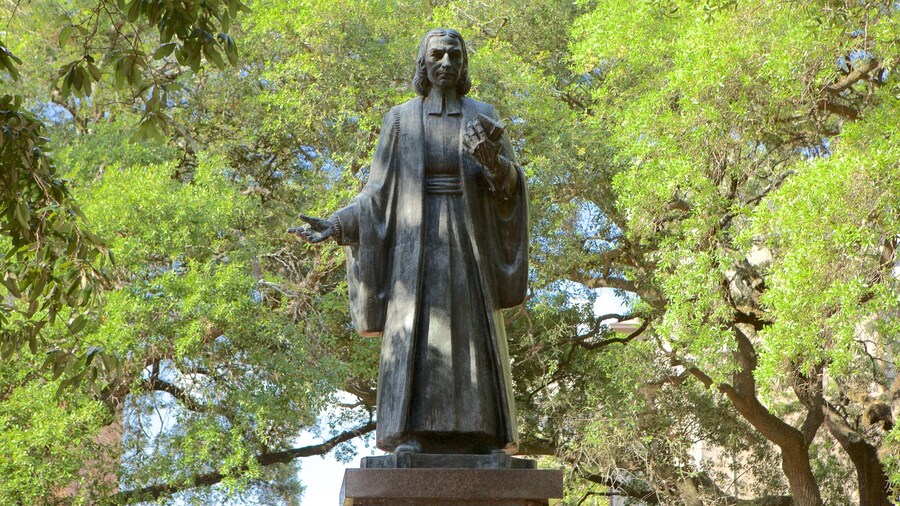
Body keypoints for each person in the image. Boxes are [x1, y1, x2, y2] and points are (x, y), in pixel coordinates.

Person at [292, 28, 528, 455]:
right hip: (413, 249)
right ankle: (412, 432)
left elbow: (511, 189)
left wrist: (494, 164)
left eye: (455, 55)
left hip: (469, 244)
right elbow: (376, 194)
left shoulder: (483, 115)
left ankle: (484, 434)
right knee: (417, 332)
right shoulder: (401, 118)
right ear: (423, 63)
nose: (446, 62)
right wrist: (339, 224)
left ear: (464, 64)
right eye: (436, 54)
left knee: (471, 333)